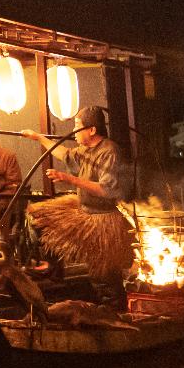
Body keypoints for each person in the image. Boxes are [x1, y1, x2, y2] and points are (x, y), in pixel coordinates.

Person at [22, 105, 135, 286]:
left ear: (92, 130)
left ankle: (113, 301)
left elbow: (106, 190)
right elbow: (65, 154)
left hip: (101, 218)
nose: (73, 131)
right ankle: (53, 268)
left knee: (103, 277)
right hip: (83, 209)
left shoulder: (109, 151)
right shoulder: (84, 149)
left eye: (77, 126)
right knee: (36, 216)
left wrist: (69, 179)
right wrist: (38, 137)